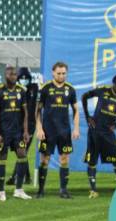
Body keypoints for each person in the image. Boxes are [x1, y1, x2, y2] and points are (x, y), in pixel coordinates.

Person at [81, 73, 116, 198]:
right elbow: (84, 96)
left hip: (108, 133)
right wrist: (88, 116)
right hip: (95, 130)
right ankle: (93, 190)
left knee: (115, 159)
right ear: (113, 83)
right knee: (92, 160)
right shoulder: (103, 90)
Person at [36, 61, 79, 199]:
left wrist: (76, 128)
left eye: (64, 73)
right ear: (53, 73)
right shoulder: (45, 88)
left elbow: (76, 110)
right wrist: (39, 128)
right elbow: (37, 110)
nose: (61, 76)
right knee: (44, 160)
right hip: (48, 131)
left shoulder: (70, 89)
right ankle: (41, 190)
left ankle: (63, 190)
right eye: (59, 73)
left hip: (64, 131)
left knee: (65, 159)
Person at [0, 66, 32, 201]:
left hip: (18, 132)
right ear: (5, 75)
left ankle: (19, 190)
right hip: (3, 132)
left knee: (22, 155)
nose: (13, 76)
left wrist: (26, 131)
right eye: (10, 74)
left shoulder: (22, 91)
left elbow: (25, 113)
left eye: (15, 74)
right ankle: (1, 191)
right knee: (2, 158)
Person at [6, 67, 38, 187]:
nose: (24, 80)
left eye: (26, 78)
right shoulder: (16, 90)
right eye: (22, 78)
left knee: (22, 151)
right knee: (21, 151)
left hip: (29, 125)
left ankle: (14, 177)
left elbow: (32, 105)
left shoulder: (33, 88)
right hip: (17, 125)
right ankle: (27, 176)